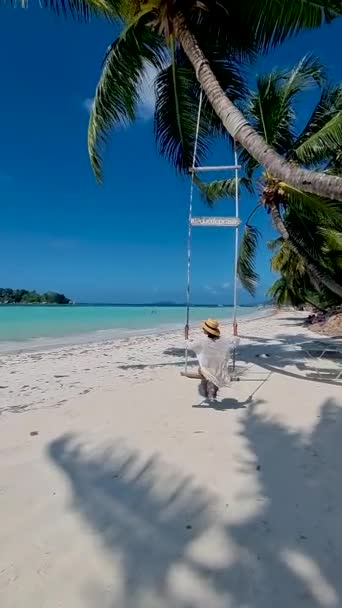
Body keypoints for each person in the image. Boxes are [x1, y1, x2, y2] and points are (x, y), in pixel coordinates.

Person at [191, 319, 231, 401]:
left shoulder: (202, 342)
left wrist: (186, 337)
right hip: (219, 369)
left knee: (202, 372)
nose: (203, 329)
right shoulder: (224, 341)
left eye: (204, 328)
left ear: (207, 330)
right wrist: (235, 330)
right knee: (217, 375)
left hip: (207, 369)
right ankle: (214, 393)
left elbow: (189, 346)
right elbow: (235, 341)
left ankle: (206, 392)